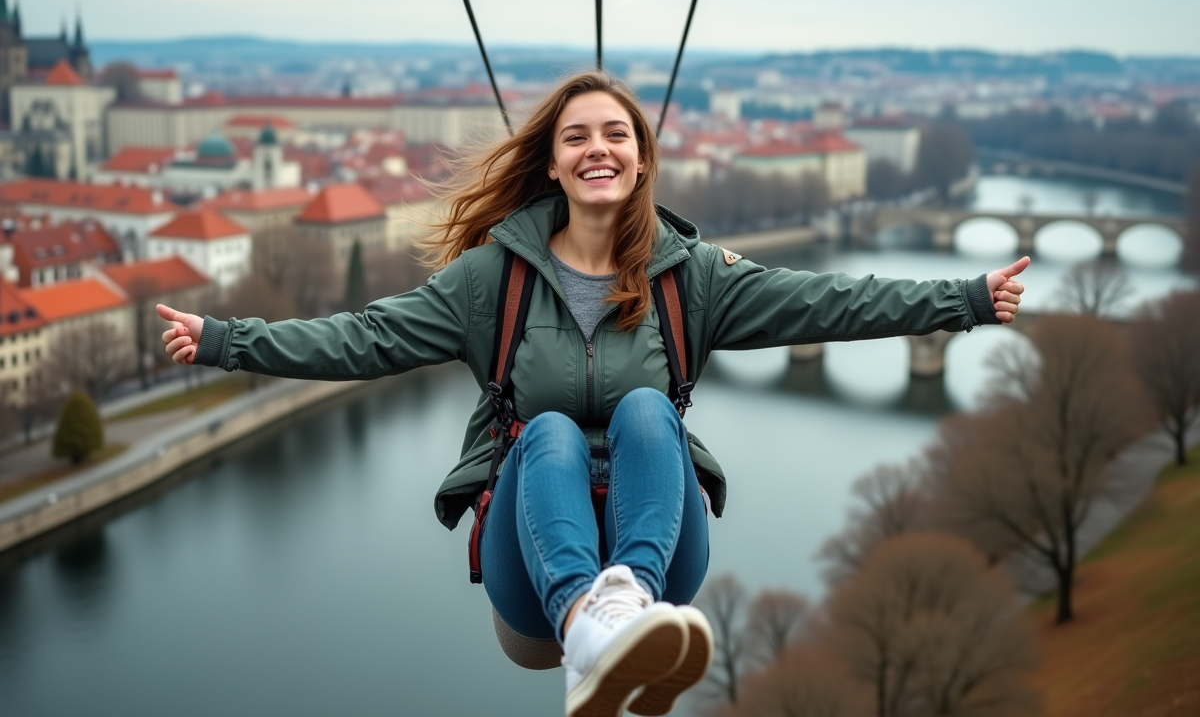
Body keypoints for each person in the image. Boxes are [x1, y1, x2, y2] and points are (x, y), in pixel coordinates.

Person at [158, 72, 1027, 717]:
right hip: (530, 575)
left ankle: (623, 616)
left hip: (659, 562)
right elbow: (365, 337)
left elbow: (831, 301)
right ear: (554, 163)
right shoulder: (489, 280)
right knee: (546, 434)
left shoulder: (693, 277)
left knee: (652, 413)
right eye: (576, 137)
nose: (597, 148)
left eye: (615, 134)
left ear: (642, 160)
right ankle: (584, 619)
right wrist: (229, 340)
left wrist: (966, 300)